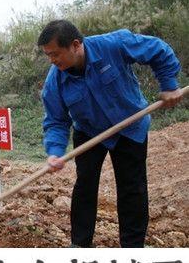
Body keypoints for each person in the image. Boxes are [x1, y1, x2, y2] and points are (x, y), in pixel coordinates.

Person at [38, 20, 183, 248]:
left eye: (55, 54)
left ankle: (132, 248)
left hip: (130, 126)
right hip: (89, 130)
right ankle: (80, 245)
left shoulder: (114, 44)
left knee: (132, 187)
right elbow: (56, 120)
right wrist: (55, 151)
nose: (52, 61)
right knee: (85, 185)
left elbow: (158, 50)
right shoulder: (55, 80)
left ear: (75, 45)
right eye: (48, 55)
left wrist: (169, 84)